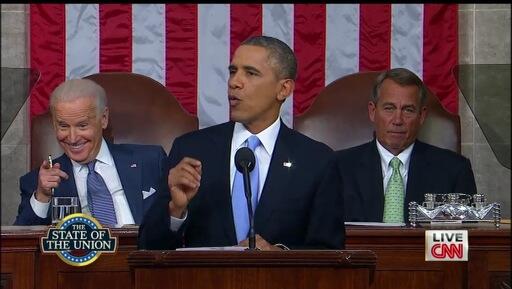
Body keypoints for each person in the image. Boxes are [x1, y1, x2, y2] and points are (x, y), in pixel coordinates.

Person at [139, 36, 344, 250]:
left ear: (283, 89)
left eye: (251, 73)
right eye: (232, 71)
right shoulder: (191, 150)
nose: (234, 82)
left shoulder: (316, 161)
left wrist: (281, 256)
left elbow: (330, 253)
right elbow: (147, 246)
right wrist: (176, 211)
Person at [14, 79, 168, 226]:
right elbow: (20, 245)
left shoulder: (151, 161)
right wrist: (42, 197)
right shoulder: (38, 183)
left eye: (82, 126)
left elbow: (179, 222)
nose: (73, 138)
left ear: (103, 118)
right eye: (63, 126)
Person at [336, 68, 477, 223]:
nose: (397, 120)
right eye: (389, 108)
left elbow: (463, 240)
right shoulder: (338, 168)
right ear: (373, 111)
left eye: (408, 110)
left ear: (421, 116)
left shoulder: (455, 170)